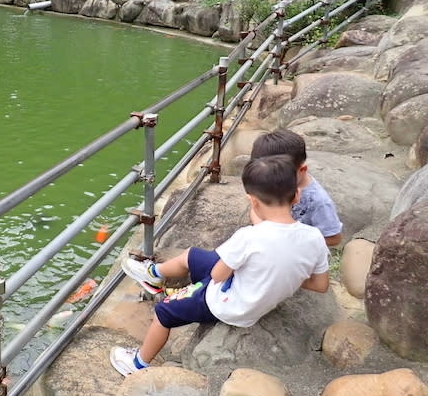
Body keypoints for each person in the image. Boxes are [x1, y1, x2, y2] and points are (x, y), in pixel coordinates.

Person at [111, 154, 330, 376]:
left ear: (253, 201)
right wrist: (286, 274)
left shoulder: (248, 237)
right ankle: (155, 274)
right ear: (297, 195)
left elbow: (217, 275)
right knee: (192, 256)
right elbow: (321, 284)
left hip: (229, 304)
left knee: (163, 312)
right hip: (248, 289)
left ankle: (138, 363)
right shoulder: (314, 237)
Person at [250, 129, 343, 247]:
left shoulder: (318, 201)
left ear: (302, 170)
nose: (271, 180)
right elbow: (255, 209)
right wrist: (264, 230)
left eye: (279, 175)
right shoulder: (269, 182)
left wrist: (293, 240)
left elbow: (334, 238)